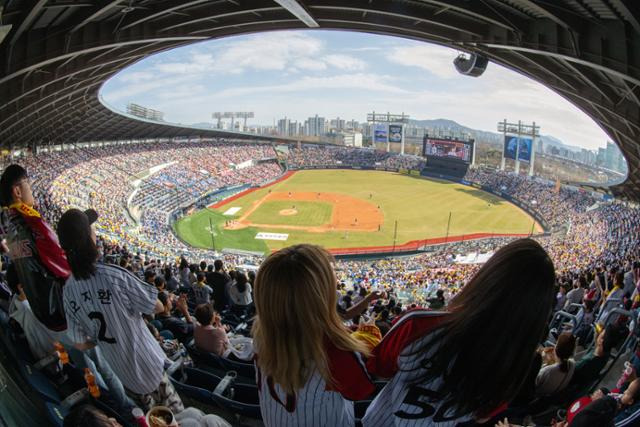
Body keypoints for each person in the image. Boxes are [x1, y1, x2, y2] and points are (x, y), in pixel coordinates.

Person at [363, 238, 556, 426]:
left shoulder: (419, 324)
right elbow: (482, 416)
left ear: (488, 278)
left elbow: (378, 368)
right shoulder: (514, 368)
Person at [57, 208, 184, 413]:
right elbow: (158, 307)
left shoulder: (68, 291)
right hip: (147, 364)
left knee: (150, 418)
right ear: (89, 239)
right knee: (176, 417)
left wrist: (100, 339)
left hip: (122, 373)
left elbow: (80, 343)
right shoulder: (114, 275)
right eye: (91, 229)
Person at [252, 244, 375, 426]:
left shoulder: (260, 334)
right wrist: (368, 332)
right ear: (321, 299)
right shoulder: (335, 351)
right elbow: (362, 390)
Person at [0, 164, 71, 331]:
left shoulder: (9, 228)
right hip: (64, 310)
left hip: (42, 313)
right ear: (17, 192)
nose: (32, 191)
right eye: (29, 186)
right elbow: (64, 266)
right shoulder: (33, 223)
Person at [535, 332, 576, 396]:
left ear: (556, 347)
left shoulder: (547, 370)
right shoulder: (572, 364)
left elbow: (534, 384)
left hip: (536, 397)